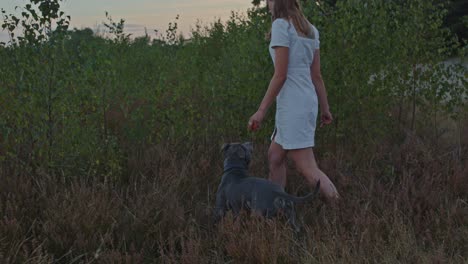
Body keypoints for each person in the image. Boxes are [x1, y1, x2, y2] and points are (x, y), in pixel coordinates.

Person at [248, 0, 339, 201]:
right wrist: (325, 109)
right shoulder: (311, 30)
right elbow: (316, 76)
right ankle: (275, 206)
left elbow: (280, 75)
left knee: (307, 167)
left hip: (293, 105)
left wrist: (261, 110)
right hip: (303, 101)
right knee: (275, 157)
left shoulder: (281, 25)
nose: (267, 4)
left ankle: (341, 209)